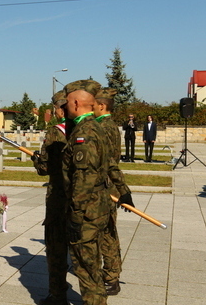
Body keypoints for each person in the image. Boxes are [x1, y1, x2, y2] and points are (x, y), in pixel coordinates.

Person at [61, 80, 110, 305]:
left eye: (67, 103)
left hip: (87, 208)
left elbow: (84, 177)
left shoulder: (84, 132)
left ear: (77, 103)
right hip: (97, 205)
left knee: (85, 265)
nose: (64, 107)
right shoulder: (95, 126)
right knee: (93, 263)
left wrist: (76, 214)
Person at [94, 88, 135, 296]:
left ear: (101, 106)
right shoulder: (105, 125)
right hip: (105, 184)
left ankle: (111, 277)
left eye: (93, 105)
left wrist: (121, 188)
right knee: (104, 232)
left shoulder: (104, 127)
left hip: (105, 186)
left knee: (107, 233)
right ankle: (108, 273)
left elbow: (107, 161)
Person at [31, 90, 69, 305]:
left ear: (59, 109)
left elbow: (46, 168)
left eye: (55, 108)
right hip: (86, 198)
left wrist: (36, 160)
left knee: (56, 248)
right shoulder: (89, 128)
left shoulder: (55, 132)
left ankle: (58, 296)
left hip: (59, 198)